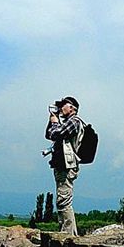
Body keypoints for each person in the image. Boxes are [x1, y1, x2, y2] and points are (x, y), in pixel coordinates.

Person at [45, 96, 85, 235]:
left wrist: (55, 122)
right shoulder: (67, 123)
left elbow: (56, 133)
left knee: (64, 201)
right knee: (61, 201)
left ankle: (68, 235)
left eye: (64, 105)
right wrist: (53, 119)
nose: (61, 108)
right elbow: (49, 135)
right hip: (62, 166)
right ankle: (66, 232)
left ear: (72, 108)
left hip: (67, 167)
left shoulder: (74, 122)